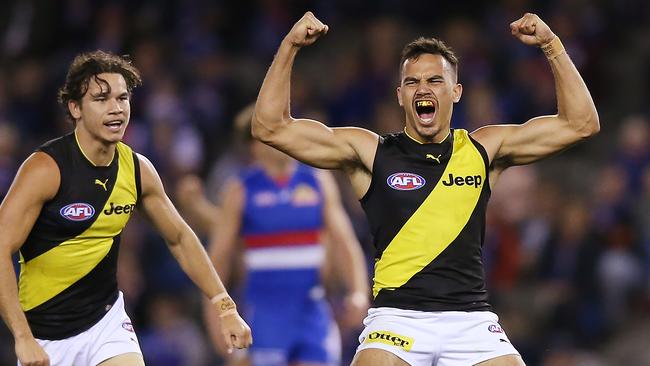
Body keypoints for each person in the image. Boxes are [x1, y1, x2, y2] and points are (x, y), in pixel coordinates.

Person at [252, 11, 599, 366]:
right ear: (400, 94)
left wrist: (551, 44)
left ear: (456, 92)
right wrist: (290, 45)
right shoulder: (370, 153)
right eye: (413, 82)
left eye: (435, 80)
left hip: (471, 321)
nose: (423, 89)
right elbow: (269, 127)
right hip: (396, 319)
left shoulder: (483, 150)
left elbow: (581, 123)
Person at [0, 50, 252, 366]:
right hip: (45, 336)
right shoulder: (45, 169)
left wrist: (224, 306)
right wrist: (22, 337)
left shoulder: (137, 170)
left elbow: (179, 239)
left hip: (106, 325)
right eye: (102, 99)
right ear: (75, 108)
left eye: (122, 98)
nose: (116, 108)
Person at [176, 104, 370, 366]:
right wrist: (217, 318)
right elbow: (218, 259)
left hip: (312, 310)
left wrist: (358, 292)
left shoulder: (317, 181)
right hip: (265, 313)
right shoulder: (241, 190)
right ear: (256, 143)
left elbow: (344, 242)